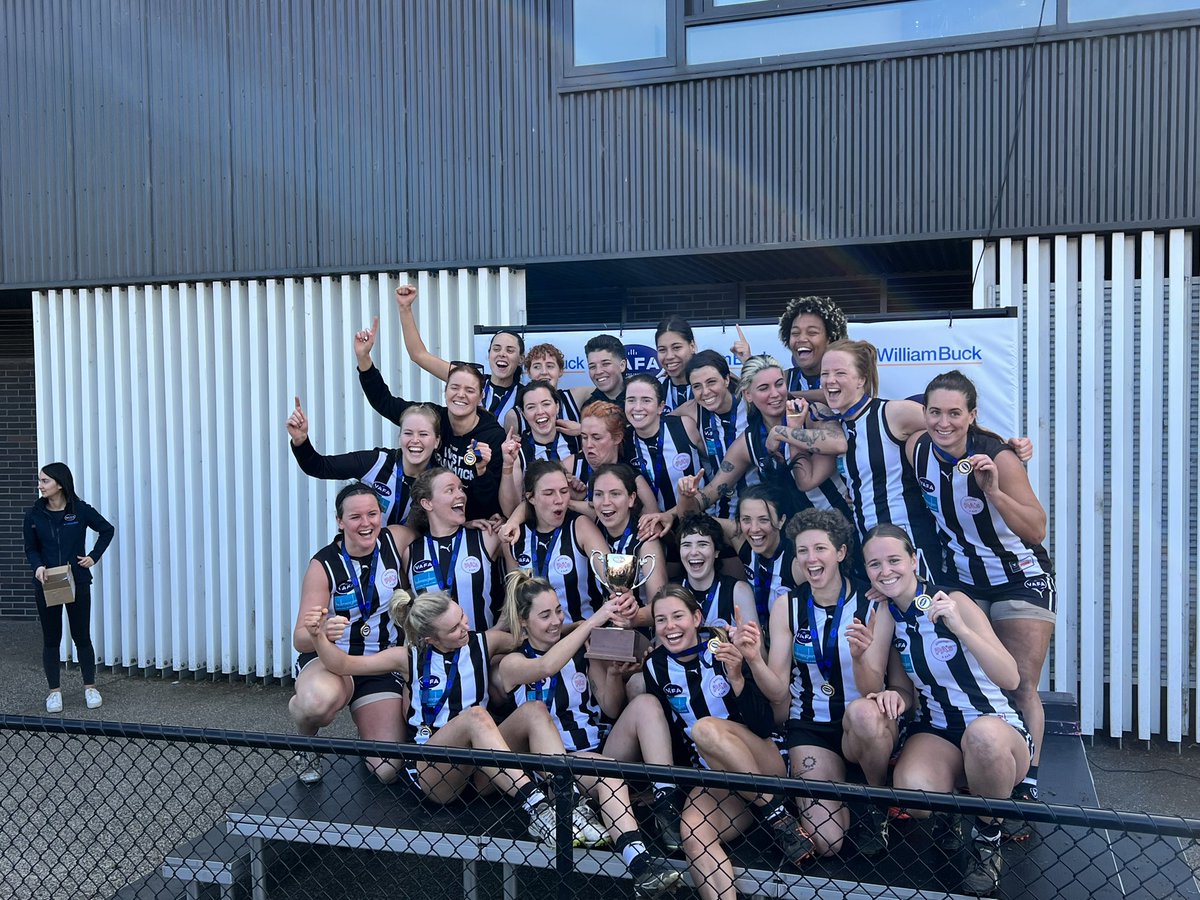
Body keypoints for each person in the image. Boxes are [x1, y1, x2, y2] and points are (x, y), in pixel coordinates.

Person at [307, 589, 582, 844]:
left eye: (462, 618)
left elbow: (536, 635)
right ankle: (538, 807)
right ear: (431, 638)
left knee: (534, 710)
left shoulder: (484, 642)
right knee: (476, 716)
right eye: (454, 628)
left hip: (483, 770)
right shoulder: (408, 657)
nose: (465, 628)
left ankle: (569, 802)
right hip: (437, 772)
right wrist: (319, 637)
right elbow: (343, 664)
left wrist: (583, 627)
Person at [848, 525, 1031, 896]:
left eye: (895, 560)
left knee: (981, 737)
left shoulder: (954, 601)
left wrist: (962, 629)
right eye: (875, 564)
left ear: (914, 560)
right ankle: (949, 812)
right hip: (938, 731)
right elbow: (886, 686)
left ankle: (986, 836)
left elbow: (1010, 677)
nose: (886, 571)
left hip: (996, 728)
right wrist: (864, 662)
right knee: (915, 798)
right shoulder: (886, 613)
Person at [908, 370, 1055, 816]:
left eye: (955, 413)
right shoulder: (915, 447)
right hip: (962, 581)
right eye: (935, 412)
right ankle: (969, 766)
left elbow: (1036, 529)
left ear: (972, 416)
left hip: (1018, 578)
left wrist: (994, 491)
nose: (944, 422)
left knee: (1021, 684)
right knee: (965, 677)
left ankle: (1026, 779)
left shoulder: (999, 457)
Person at [493, 571, 681, 897]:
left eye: (558, 611)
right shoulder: (513, 661)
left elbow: (610, 708)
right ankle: (639, 863)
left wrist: (612, 674)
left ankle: (665, 809)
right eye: (545, 615)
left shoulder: (583, 650)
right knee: (602, 769)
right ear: (523, 622)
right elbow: (547, 667)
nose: (555, 621)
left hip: (594, 752)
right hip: (552, 769)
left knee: (646, 704)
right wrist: (597, 617)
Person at [643, 585, 814, 900]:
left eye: (678, 616)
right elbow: (672, 733)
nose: (670, 626)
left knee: (705, 728)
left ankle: (778, 814)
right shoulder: (654, 666)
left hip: (762, 762)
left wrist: (737, 677)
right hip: (719, 778)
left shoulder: (724, 645)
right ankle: (775, 815)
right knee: (693, 834)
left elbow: (764, 723)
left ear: (696, 617)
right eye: (661, 619)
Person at [739, 508, 886, 858]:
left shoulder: (871, 603)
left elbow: (874, 689)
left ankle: (877, 803)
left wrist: (862, 655)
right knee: (827, 844)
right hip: (811, 726)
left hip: (861, 722)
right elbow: (777, 690)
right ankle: (840, 794)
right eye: (803, 551)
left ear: (840, 553)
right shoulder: (786, 605)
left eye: (820, 549)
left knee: (865, 717)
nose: (811, 559)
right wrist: (755, 659)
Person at [288, 484, 408, 785]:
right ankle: (305, 742)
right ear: (340, 521)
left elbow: (437, 525)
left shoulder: (396, 540)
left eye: (372, 514)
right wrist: (321, 633)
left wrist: (473, 522)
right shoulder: (324, 564)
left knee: (386, 769)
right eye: (355, 517)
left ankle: (365, 720)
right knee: (316, 704)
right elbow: (300, 638)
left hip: (379, 663)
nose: (366, 523)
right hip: (333, 662)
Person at [355, 317, 506, 520]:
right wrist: (364, 359)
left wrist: (481, 471)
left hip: (474, 523)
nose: (461, 394)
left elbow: (491, 500)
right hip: (433, 519)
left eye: (470, 390)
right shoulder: (432, 417)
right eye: (454, 387)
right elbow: (384, 402)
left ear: (481, 397)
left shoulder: (493, 436)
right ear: (445, 391)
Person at [682, 355, 851, 521]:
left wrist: (780, 432)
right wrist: (684, 499)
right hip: (794, 534)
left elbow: (839, 443)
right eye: (764, 388)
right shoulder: (749, 440)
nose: (775, 394)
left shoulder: (813, 413)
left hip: (838, 524)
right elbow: (712, 491)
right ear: (748, 395)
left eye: (779, 384)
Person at [23, 463, 115, 713]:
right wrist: (38, 566)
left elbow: (107, 530)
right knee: (52, 639)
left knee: (81, 636)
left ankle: (90, 687)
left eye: (45, 481)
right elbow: (31, 548)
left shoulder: (80, 510)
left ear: (60, 484)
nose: (40, 485)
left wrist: (93, 557)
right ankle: (54, 693)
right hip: (47, 582)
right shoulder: (33, 515)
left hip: (78, 582)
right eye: (40, 481)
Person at [393, 469, 513, 630]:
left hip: (484, 649)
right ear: (427, 503)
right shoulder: (411, 553)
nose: (461, 495)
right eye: (450, 490)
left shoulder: (487, 536)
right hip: (433, 653)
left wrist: (497, 631)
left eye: (461, 488)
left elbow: (518, 580)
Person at [288, 398, 439, 525]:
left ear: (437, 441)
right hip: (370, 551)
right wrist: (301, 440)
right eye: (408, 433)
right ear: (400, 437)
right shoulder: (377, 462)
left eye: (423, 434)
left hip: (415, 556)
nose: (415, 440)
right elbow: (319, 467)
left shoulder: (441, 477)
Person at [392, 285, 526, 423]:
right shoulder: (468, 379)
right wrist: (405, 308)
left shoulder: (526, 395)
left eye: (510, 350)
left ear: (521, 359)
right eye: (496, 349)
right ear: (489, 354)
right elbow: (419, 355)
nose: (502, 354)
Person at [504, 461, 612, 624]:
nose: (559, 500)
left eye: (564, 491)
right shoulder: (516, 536)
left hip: (581, 636)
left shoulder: (580, 527)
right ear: (531, 497)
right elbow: (513, 601)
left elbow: (611, 580)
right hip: (535, 642)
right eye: (549, 493)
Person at [676, 484, 796, 623]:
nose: (754, 529)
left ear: (781, 520)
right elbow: (692, 520)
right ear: (738, 522)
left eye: (764, 519)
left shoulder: (796, 562)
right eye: (746, 519)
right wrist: (686, 496)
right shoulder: (740, 539)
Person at [672, 350, 747, 520]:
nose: (705, 392)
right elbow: (658, 424)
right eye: (697, 386)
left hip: (758, 511)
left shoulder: (750, 403)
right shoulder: (692, 410)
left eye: (711, 382)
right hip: (718, 512)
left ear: (727, 379)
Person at [591, 463, 668, 614]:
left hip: (640, 631)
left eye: (615, 494)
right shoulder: (592, 531)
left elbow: (659, 605)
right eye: (598, 494)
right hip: (600, 629)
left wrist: (633, 618)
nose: (606, 502)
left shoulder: (645, 539)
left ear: (631, 498)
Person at [498, 379, 581, 515]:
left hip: (576, 522)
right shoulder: (519, 450)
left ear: (557, 406)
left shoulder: (577, 440)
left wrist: (584, 430)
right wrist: (507, 465)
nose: (540, 412)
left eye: (546, 404)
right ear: (524, 414)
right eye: (531, 407)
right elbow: (510, 511)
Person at [624, 373, 699, 515]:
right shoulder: (623, 442)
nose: (637, 407)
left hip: (695, 519)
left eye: (646, 400)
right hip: (653, 525)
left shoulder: (684, 426)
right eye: (631, 400)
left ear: (660, 407)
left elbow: (710, 464)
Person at [675, 513, 756, 631]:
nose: (693, 552)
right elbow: (661, 647)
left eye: (702, 544)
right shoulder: (670, 593)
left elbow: (757, 648)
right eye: (686, 545)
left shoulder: (738, 591)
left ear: (716, 551)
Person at [654, 316, 698, 412]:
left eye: (676, 347)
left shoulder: (712, 387)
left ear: (692, 346)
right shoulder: (655, 392)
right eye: (662, 350)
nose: (669, 356)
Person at [583, 334, 628, 406]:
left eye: (605, 364)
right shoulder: (588, 408)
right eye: (592, 366)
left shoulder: (639, 400)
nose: (598, 371)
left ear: (622, 365)